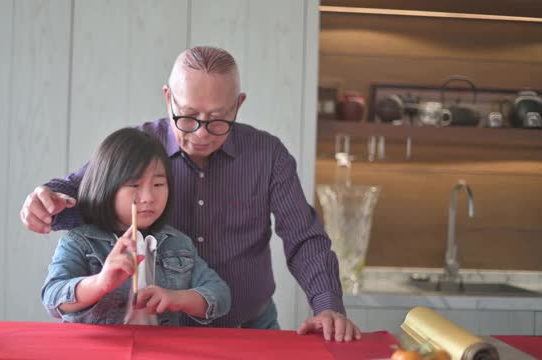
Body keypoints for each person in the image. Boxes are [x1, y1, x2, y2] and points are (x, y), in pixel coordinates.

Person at [23, 46, 361, 341]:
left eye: (217, 119)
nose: (200, 133)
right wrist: (46, 199)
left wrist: (328, 306)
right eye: (187, 117)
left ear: (238, 105)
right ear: (169, 97)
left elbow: (304, 237)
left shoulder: (267, 155)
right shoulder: (141, 145)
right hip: (161, 333)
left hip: (247, 326)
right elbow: (83, 191)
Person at [41, 127, 231, 325]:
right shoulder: (79, 242)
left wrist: (178, 298)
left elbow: (220, 295)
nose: (149, 198)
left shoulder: (179, 244)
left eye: (158, 185)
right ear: (105, 186)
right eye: (134, 185)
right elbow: (52, 297)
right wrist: (100, 283)